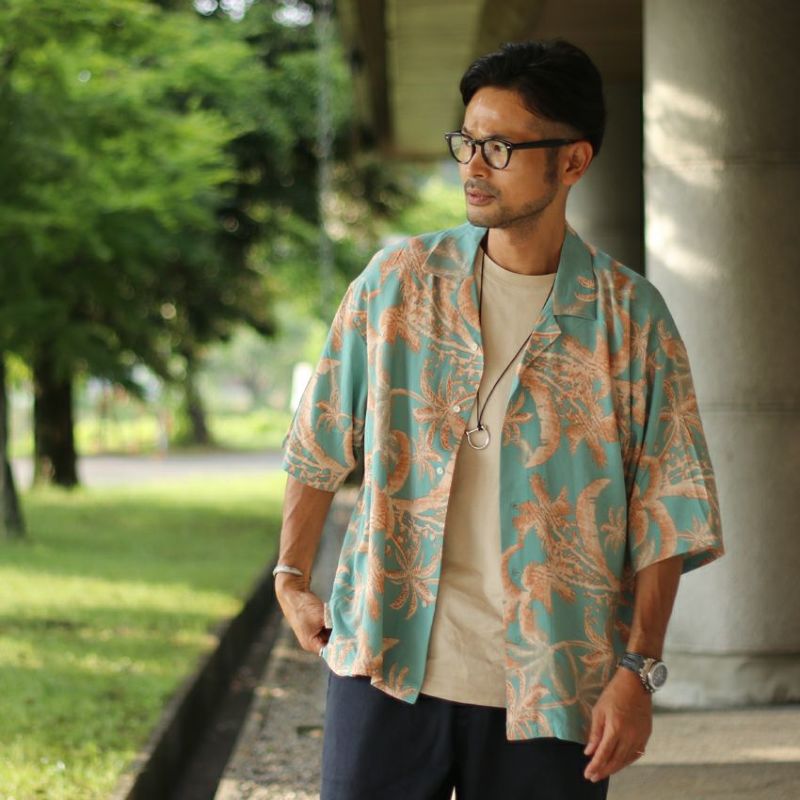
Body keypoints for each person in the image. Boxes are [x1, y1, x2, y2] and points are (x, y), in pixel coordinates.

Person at [275, 39, 724, 800]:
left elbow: (669, 507)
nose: (473, 166)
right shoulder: (397, 284)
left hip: (554, 683)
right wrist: (290, 576)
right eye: (468, 142)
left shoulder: (630, 320)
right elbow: (318, 439)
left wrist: (638, 670)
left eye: (501, 147)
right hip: (383, 662)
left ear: (573, 162)